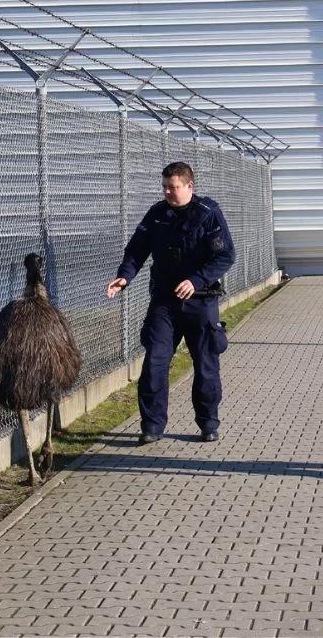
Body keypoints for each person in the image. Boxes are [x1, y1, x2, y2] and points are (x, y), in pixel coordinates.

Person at [106, 161, 235, 445]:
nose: (167, 192)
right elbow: (136, 250)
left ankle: (208, 423)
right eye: (164, 186)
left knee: (205, 365)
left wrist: (197, 280)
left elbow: (225, 256)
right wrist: (124, 277)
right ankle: (152, 426)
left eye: (173, 187)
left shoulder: (207, 214)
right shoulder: (157, 214)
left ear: (189, 186)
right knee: (155, 363)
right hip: (164, 303)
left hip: (200, 303)